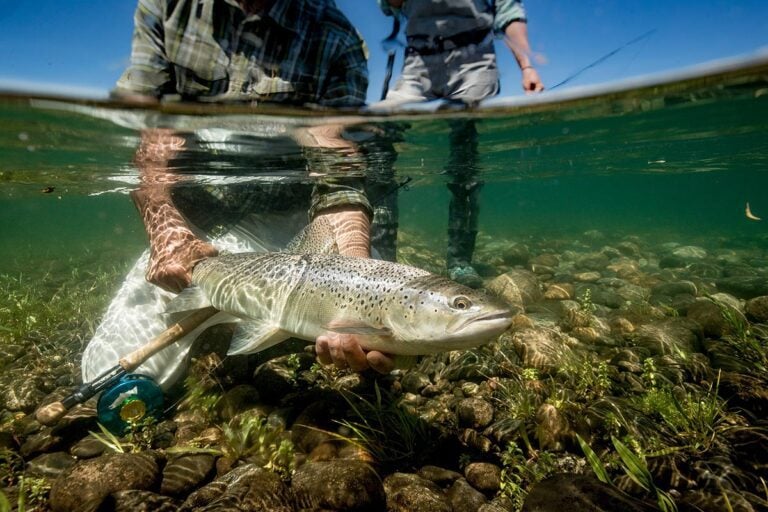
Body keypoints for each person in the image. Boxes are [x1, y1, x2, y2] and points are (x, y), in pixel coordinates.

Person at [82, 0, 395, 393]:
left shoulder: (338, 38)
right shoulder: (166, 8)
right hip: (196, 223)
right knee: (112, 377)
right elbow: (151, 141)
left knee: (377, 343)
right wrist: (167, 236)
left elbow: (336, 165)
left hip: (288, 219)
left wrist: (354, 268)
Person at [370, 0, 544, 287]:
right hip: (418, 62)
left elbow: (509, 11)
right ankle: (381, 259)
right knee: (379, 139)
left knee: (464, 147)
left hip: (474, 59)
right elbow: (388, 7)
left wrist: (527, 66)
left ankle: (460, 261)